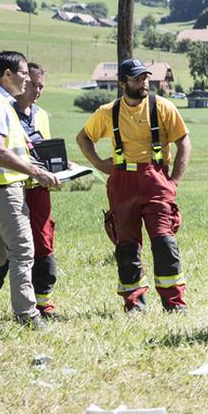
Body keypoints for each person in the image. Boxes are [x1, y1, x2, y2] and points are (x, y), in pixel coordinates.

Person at [76, 59, 192, 312]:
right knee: (126, 246)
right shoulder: (108, 112)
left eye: (145, 78)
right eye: (137, 79)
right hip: (122, 183)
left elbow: (184, 142)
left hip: (156, 180)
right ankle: (134, 303)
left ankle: (174, 304)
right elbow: (83, 138)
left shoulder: (163, 107)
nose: (143, 83)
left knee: (164, 242)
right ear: (122, 83)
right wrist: (98, 162)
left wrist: (174, 181)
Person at [0, 50, 59, 328]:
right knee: (22, 252)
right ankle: (27, 316)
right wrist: (35, 172)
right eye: (23, 73)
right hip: (3, 189)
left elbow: (14, 149)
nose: (27, 78)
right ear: (7, 75)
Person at [0, 62, 62, 316]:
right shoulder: (4, 110)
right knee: (3, 247)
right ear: (22, 80)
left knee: (43, 243)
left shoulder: (42, 115)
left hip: (38, 189)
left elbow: (42, 150)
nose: (37, 90)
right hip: (11, 187)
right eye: (33, 84)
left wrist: (62, 165)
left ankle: (43, 303)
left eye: (42, 86)